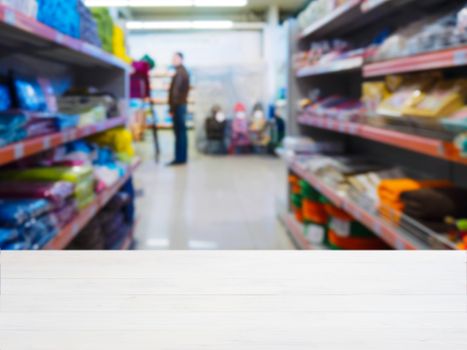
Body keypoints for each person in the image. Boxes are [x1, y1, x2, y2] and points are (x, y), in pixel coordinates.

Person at [168, 52, 190, 166]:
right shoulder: (182, 71)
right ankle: (182, 157)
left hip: (178, 106)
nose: (173, 60)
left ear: (181, 59)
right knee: (182, 132)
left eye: (175, 58)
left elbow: (175, 93)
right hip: (181, 105)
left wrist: (172, 108)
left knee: (179, 133)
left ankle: (179, 158)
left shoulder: (180, 73)